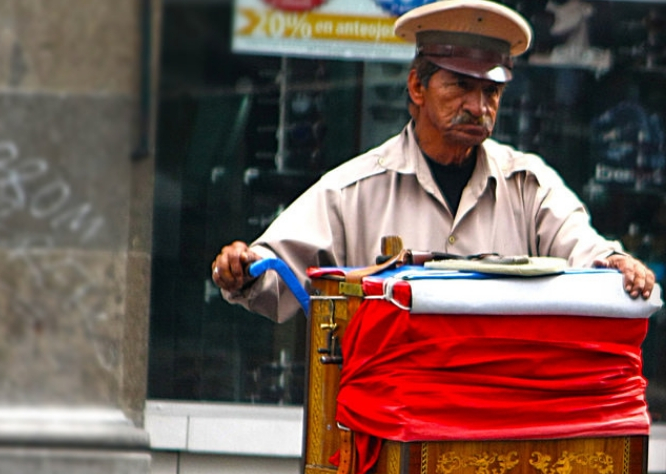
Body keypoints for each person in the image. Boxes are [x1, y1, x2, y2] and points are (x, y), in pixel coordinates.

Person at [212, 0, 656, 323]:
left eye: (490, 92)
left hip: (496, 425)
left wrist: (615, 262)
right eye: (460, 87)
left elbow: (583, 246)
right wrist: (241, 270)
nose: (478, 106)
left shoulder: (529, 185)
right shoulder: (355, 189)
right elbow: (272, 270)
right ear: (417, 87)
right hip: (392, 422)